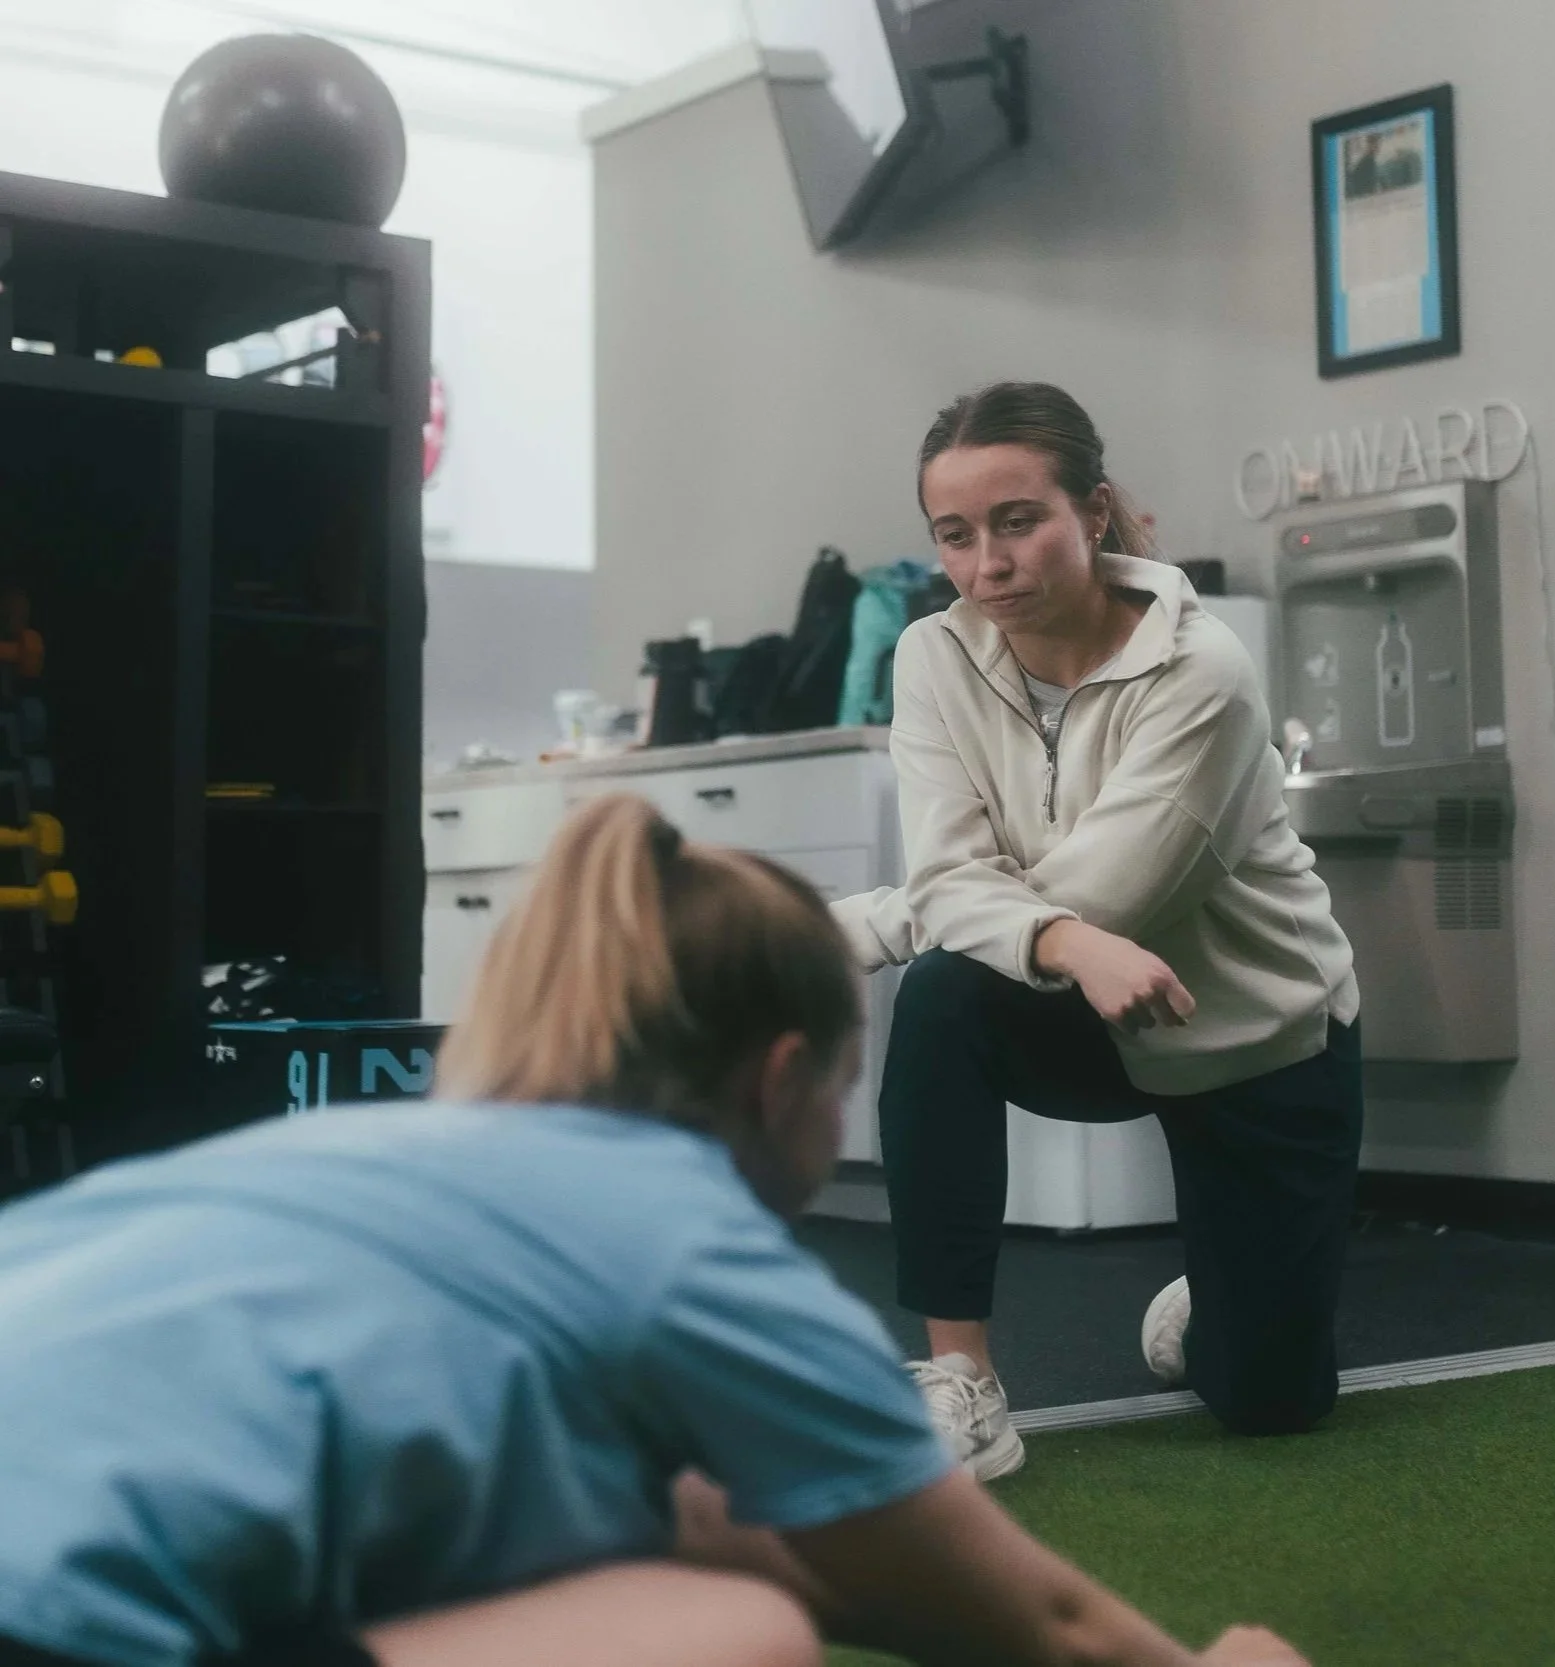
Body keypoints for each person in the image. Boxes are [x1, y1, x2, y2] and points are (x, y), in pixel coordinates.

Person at [0, 794, 1307, 1667]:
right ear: (781, 1074)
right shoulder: (687, 1242)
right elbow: (1049, 1618)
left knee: (671, 1517)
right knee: (731, 1626)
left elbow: (745, 1515)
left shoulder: (361, 1155)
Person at [831, 382, 1364, 1481]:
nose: (988, 563)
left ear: (1096, 512)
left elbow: (1104, 891)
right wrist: (1060, 944)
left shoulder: (1203, 672)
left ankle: (1223, 1287)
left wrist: (851, 927)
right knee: (942, 993)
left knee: (1268, 1400)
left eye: (1018, 519)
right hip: (1081, 1001)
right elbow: (960, 878)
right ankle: (959, 1379)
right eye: (955, 534)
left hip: (1250, 1032)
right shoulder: (933, 654)